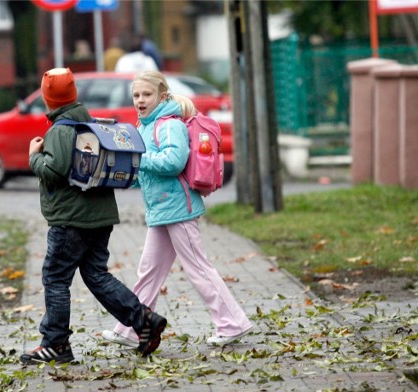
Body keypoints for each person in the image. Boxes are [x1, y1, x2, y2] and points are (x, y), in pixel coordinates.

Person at [21, 67, 167, 365]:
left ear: (48, 99)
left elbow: (55, 171)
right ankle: (144, 320)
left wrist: (34, 155)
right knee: (96, 274)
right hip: (99, 216)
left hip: (72, 220)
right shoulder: (86, 122)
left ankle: (56, 344)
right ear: (72, 95)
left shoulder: (62, 129)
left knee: (56, 278)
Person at [102, 71, 253, 349]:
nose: (140, 100)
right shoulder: (144, 126)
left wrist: (138, 159)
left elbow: (173, 161)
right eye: (136, 95)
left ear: (162, 96)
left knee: (198, 267)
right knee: (148, 271)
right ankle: (132, 329)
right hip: (160, 210)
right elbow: (145, 169)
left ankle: (233, 323)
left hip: (178, 209)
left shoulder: (169, 125)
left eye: (147, 94)